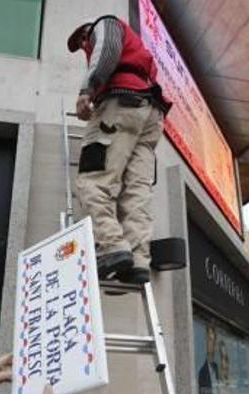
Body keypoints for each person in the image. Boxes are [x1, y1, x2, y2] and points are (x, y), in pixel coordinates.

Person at [67, 15, 171, 284]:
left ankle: (112, 246)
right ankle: (138, 262)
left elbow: (107, 50)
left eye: (82, 40)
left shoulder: (106, 25)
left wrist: (87, 91)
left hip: (121, 104)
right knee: (137, 192)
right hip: (150, 114)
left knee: (93, 181)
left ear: (86, 31)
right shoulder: (137, 53)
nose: (83, 45)